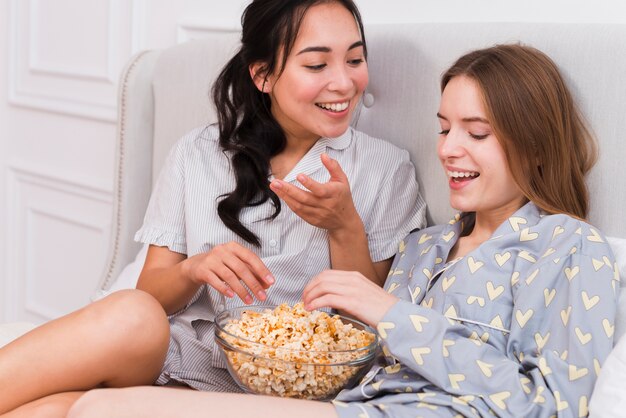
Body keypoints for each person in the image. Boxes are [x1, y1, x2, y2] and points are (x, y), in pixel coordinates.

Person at [67, 43, 619, 418]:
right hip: (344, 407)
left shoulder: (571, 247)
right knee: (78, 405)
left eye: (477, 133)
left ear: (538, 144)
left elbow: (554, 405)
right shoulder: (424, 248)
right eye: (446, 127)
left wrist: (392, 313)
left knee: (102, 408)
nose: (448, 149)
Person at [0, 0, 426, 416]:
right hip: (184, 358)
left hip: (291, 388)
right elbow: (152, 295)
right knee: (130, 313)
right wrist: (193, 268)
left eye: (355, 59)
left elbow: (376, 328)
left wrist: (343, 226)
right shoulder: (197, 153)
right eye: (317, 65)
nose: (344, 83)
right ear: (262, 75)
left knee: (58, 409)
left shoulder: (385, 169)